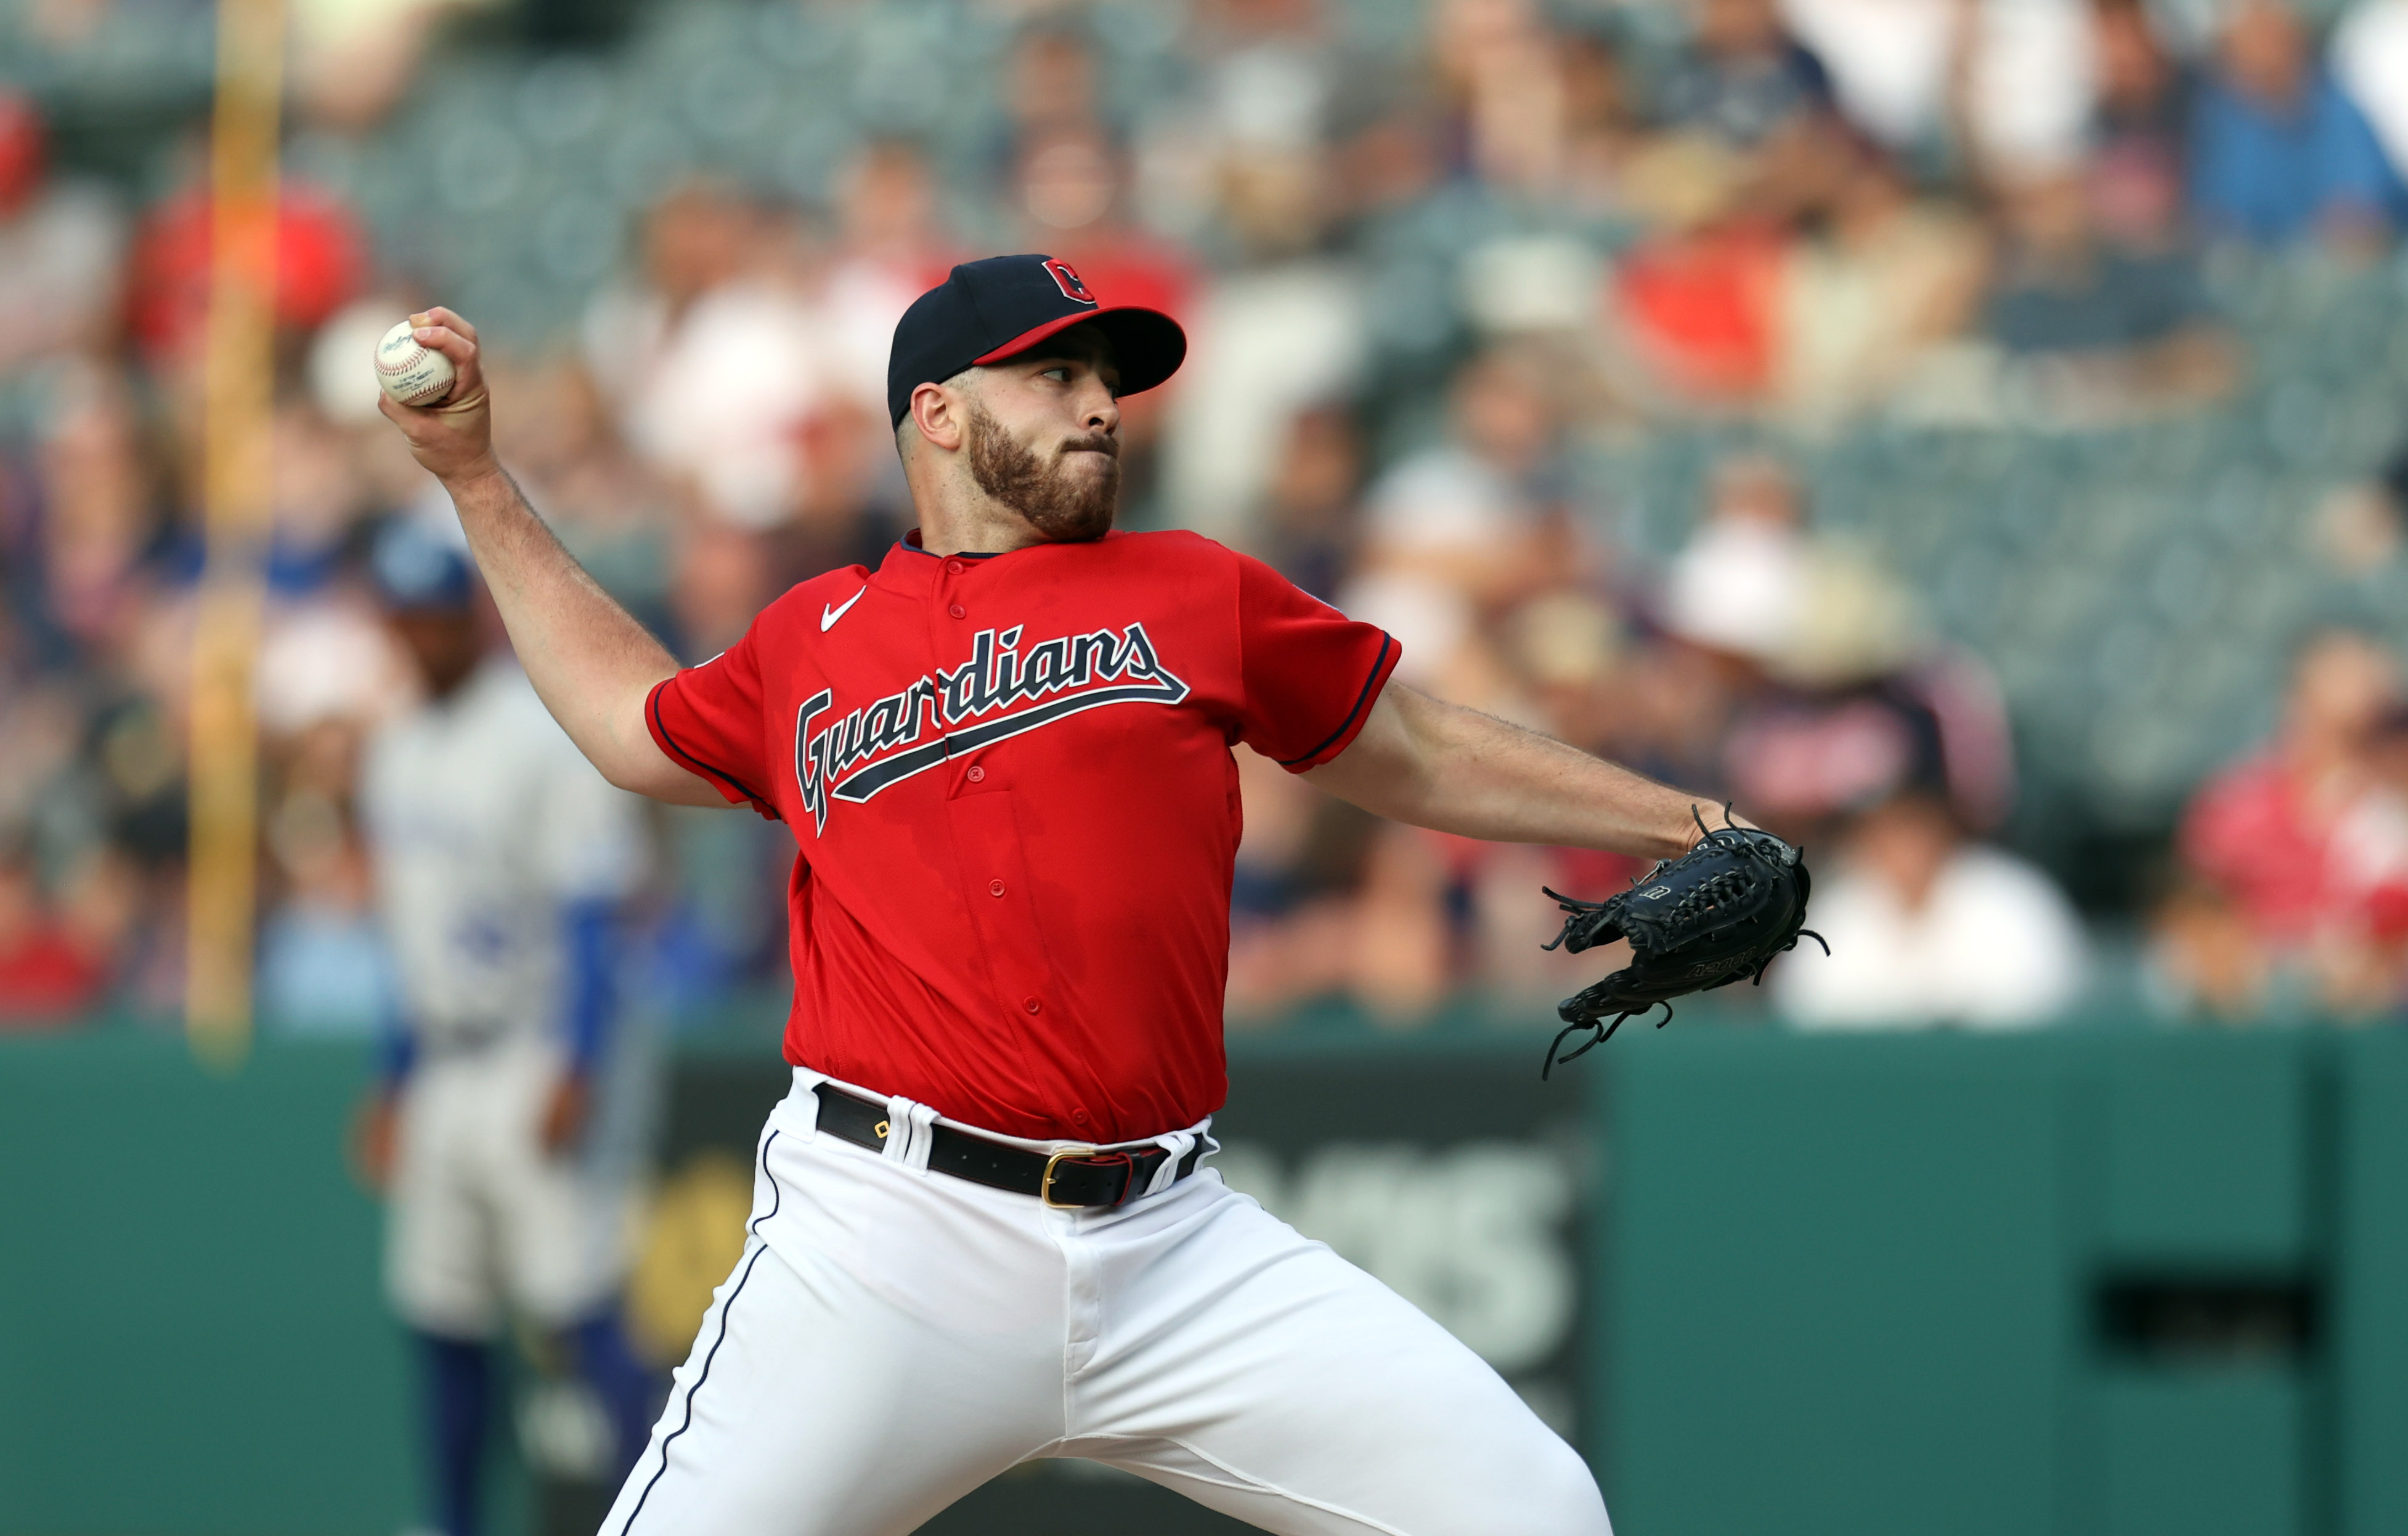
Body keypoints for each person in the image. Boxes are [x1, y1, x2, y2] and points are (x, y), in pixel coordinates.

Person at [376, 253, 1743, 1536]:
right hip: (887, 1239)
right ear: (942, 416)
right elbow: (629, 723)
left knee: (1531, 1507)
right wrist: (478, 480)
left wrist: (1690, 820)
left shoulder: (1195, 589)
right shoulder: (812, 640)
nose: (1099, 404)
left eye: (1109, 379)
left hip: (1171, 1240)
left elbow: (1423, 747)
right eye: (1055, 374)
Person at [349, 521, 657, 1536]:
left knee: (577, 1311)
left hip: (535, 1047)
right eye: (402, 619)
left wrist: (578, 1059)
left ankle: (659, 1521)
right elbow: (408, 940)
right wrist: (394, 1081)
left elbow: (590, 912)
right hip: (444, 1059)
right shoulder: (392, 751)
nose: (416, 636)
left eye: (432, 616)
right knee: (442, 1314)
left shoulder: (533, 736)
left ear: (465, 618)